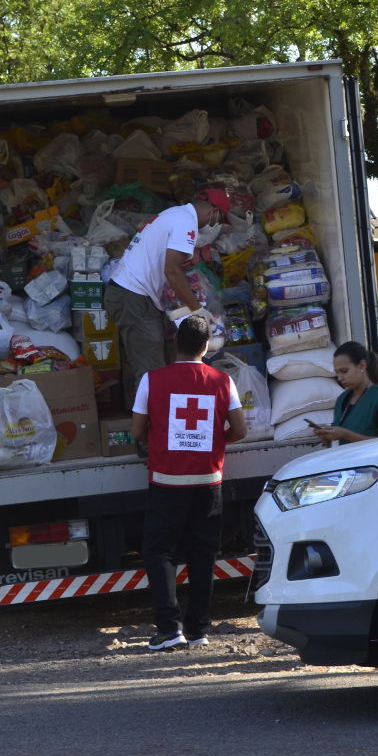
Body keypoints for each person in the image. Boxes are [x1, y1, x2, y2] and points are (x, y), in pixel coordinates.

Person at [131, 315, 248, 650]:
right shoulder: (223, 380)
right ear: (206, 346)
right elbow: (240, 430)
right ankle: (197, 631)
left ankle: (169, 629)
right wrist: (214, 439)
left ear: (175, 343)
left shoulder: (151, 380)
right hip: (208, 482)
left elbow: (138, 430)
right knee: (203, 554)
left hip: (167, 481)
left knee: (159, 552)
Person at [103, 189, 230, 407]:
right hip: (132, 297)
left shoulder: (174, 214)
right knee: (152, 372)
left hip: (134, 295)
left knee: (156, 369)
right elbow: (172, 271)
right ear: (214, 212)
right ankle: (151, 437)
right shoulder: (185, 222)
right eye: (219, 219)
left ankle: (156, 430)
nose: (215, 224)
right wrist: (197, 310)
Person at [312, 341, 378, 445]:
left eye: (344, 371)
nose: (340, 378)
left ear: (362, 366)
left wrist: (346, 435)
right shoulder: (342, 399)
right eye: (337, 373)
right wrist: (329, 436)